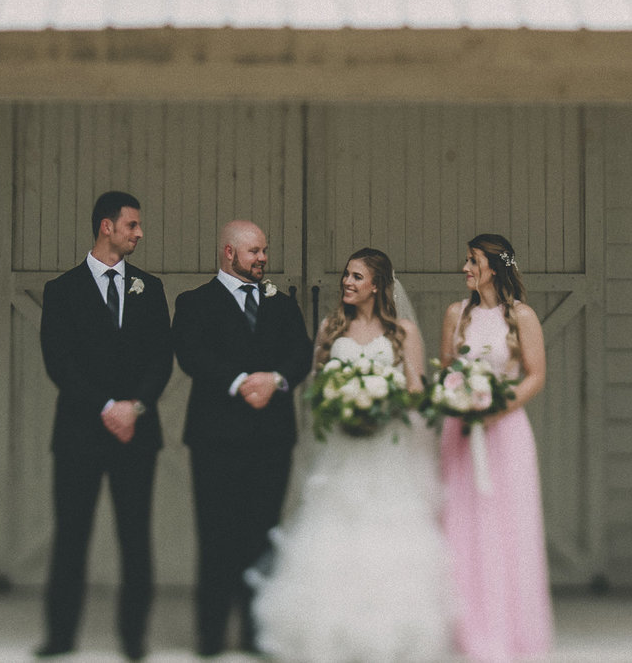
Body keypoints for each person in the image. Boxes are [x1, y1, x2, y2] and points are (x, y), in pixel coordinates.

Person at [251, 248, 451, 663]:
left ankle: (392, 632)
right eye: (346, 275)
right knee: (334, 532)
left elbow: (417, 392)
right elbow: (315, 387)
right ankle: (329, 632)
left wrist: (383, 403)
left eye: (357, 276)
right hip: (342, 450)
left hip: (387, 449)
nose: (347, 282)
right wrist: (343, 404)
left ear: (377, 285)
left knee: (386, 536)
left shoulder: (404, 332)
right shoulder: (331, 327)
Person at [38, 191, 174, 661]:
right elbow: (59, 362)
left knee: (135, 537)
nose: (139, 233)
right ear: (106, 227)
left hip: (136, 433)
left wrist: (133, 408)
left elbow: (161, 359)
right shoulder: (61, 291)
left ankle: (134, 639)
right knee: (71, 536)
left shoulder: (149, 288)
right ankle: (60, 637)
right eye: (132, 224)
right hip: (79, 432)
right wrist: (105, 406)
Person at [173, 220, 315, 657]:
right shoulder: (194, 303)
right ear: (229, 253)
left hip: (271, 438)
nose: (263, 259)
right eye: (254, 251)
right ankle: (211, 634)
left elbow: (302, 353)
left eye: (265, 251)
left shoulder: (282, 304)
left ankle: (257, 632)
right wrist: (239, 383)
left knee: (262, 534)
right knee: (216, 535)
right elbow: (191, 353)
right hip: (215, 437)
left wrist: (274, 379)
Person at [437, 233, 552, 663]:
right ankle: (465, 630)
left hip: (506, 433)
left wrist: (496, 407)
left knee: (506, 528)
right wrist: (461, 400)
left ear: (494, 267)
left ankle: (509, 631)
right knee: (461, 526)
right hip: (461, 433)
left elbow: (535, 376)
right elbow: (446, 371)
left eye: (472, 261)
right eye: (466, 260)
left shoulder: (521, 316)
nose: (465, 268)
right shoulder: (455, 314)